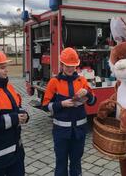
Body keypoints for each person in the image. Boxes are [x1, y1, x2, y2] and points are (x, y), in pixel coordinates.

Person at [41, 47, 96, 176]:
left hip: (79, 132)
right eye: (67, 66)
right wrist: (61, 104)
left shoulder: (81, 80)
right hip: (61, 133)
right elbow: (45, 106)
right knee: (61, 164)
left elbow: (93, 101)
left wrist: (87, 93)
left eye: (73, 66)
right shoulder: (54, 82)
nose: (70, 69)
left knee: (76, 163)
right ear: (62, 65)